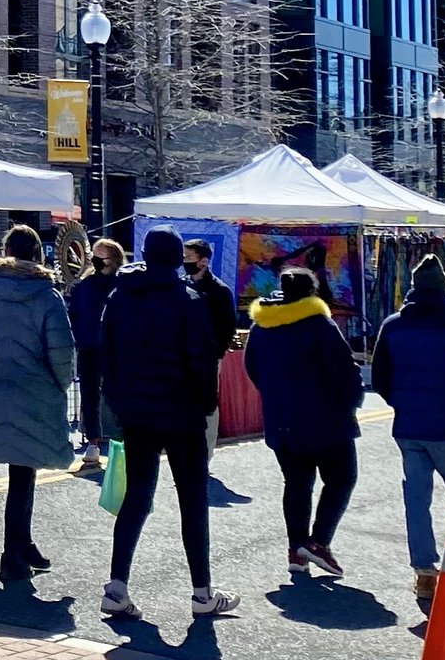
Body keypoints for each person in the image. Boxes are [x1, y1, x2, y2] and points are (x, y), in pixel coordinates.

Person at [99, 226, 238, 620]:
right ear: (178, 258)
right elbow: (202, 361)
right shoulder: (188, 300)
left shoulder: (120, 297)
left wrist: (117, 402)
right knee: (192, 500)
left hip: (136, 412)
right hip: (182, 412)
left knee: (136, 496)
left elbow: (106, 355)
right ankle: (202, 593)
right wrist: (206, 406)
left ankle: (117, 587)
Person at [372, 254, 445, 600]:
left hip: (409, 425)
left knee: (416, 499)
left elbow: (379, 377)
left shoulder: (393, 324)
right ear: (444, 290)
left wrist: (401, 401)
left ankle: (424, 572)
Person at [0, 225, 75, 583]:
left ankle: (22, 544)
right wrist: (60, 383)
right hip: (36, 388)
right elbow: (61, 349)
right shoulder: (46, 295)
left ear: (5, 251)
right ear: (37, 254)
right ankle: (13, 553)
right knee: (24, 470)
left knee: (21, 470)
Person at [245, 267, 363, 576]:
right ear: (312, 291)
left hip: (281, 418)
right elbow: (345, 371)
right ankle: (318, 542)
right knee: (341, 479)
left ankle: (296, 548)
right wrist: (352, 402)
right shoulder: (319, 324)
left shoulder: (262, 324)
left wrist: (274, 397)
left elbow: (252, 368)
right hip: (326, 418)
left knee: (297, 483)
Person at [69, 238, 125, 465]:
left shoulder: (123, 285)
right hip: (89, 347)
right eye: (93, 254)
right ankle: (92, 441)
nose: (94, 258)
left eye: (100, 255)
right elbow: (74, 314)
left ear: (112, 259)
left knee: (117, 394)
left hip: (116, 348)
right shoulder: (85, 285)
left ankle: (123, 439)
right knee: (89, 395)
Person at [182, 238, 239, 462]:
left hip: (208, 359)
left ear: (203, 261)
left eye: (189, 257)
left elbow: (228, 326)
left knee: (207, 404)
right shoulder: (181, 284)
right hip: (183, 357)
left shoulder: (219, 291)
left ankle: (205, 454)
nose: (184, 261)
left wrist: (216, 354)